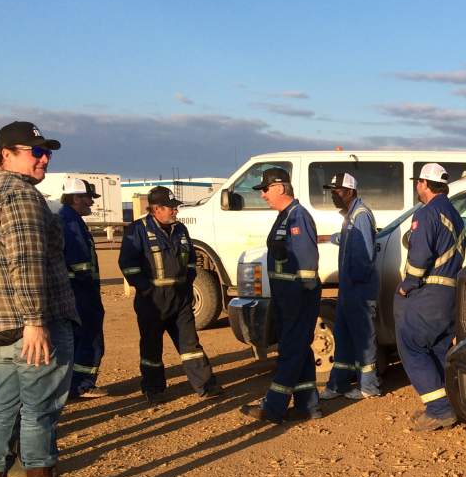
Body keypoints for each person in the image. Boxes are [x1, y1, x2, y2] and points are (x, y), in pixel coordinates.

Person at [0, 121, 99, 477]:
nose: (43, 157)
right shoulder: (20, 196)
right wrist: (35, 322)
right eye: (33, 150)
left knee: (4, 406)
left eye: (46, 151)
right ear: (5, 154)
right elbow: (27, 264)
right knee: (40, 412)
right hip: (32, 325)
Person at [119, 186, 221, 405]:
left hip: (180, 299)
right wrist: (146, 289)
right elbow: (128, 264)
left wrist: (188, 282)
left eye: (175, 207)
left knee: (190, 345)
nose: (175, 211)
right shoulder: (137, 230)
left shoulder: (180, 230)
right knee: (152, 347)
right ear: (157, 209)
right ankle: (153, 390)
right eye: (171, 207)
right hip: (152, 302)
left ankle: (206, 386)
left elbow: (192, 260)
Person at [241, 168, 322, 423]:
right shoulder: (285, 216)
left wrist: (302, 295)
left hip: (297, 297)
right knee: (300, 350)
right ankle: (308, 405)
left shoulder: (298, 217)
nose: (263, 195)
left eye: (265, 189)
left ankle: (273, 407)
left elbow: (307, 259)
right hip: (286, 296)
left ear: (279, 187)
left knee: (290, 350)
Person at [395, 163, 464, 431]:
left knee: (411, 344)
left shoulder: (427, 214)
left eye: (418, 182)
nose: (417, 187)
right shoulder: (455, 215)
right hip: (449, 294)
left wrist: (408, 284)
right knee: (436, 350)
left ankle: (440, 409)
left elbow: (420, 255)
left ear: (424, 184)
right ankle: (443, 404)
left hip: (430, 292)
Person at [320, 171, 381, 401]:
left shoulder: (361, 216)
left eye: (338, 191)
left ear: (351, 192)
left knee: (364, 338)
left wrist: (355, 283)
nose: (334, 195)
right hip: (348, 290)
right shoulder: (351, 215)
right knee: (343, 338)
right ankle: (338, 385)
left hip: (359, 290)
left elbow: (365, 255)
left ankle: (369, 386)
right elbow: (347, 239)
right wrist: (331, 237)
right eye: (332, 191)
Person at [59, 178, 105, 399]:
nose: (91, 203)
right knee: (88, 335)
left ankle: (75, 384)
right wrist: (88, 285)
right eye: (88, 198)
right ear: (76, 198)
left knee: (78, 337)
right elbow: (80, 262)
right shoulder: (70, 222)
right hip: (80, 290)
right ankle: (82, 385)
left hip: (77, 289)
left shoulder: (71, 219)